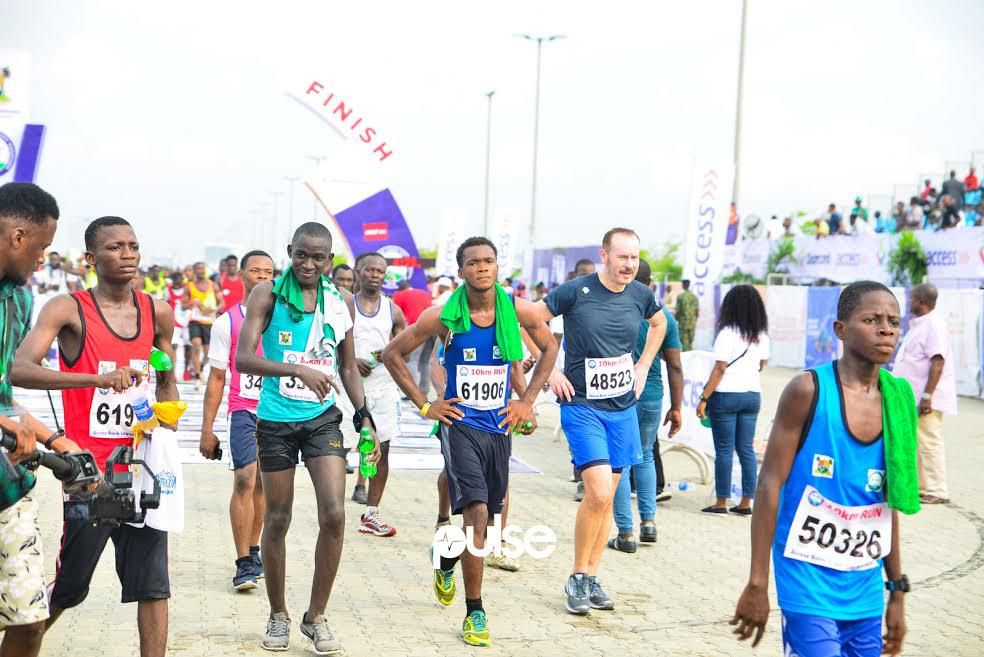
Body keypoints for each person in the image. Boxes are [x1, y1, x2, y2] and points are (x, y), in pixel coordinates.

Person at [12, 215, 180, 657]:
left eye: (133, 245)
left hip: (141, 468)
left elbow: (166, 376)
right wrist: (95, 380)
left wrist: (168, 403)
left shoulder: (157, 311)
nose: (127, 255)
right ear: (90, 258)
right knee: (71, 587)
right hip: (92, 473)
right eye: (114, 247)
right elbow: (20, 368)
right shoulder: (67, 309)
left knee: (152, 585)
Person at [381, 236, 558, 647]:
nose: (482, 268)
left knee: (487, 521)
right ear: (461, 271)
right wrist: (426, 406)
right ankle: (475, 612)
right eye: (474, 263)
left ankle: (445, 558)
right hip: (459, 425)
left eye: (489, 261)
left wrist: (526, 401)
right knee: (476, 513)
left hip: (498, 429)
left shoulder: (517, 309)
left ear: (497, 267)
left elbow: (550, 348)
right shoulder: (444, 315)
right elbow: (392, 354)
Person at [731, 280, 912, 657]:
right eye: (872, 319)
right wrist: (758, 582)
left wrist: (896, 590)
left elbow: (891, 503)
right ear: (840, 330)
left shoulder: (898, 401)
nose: (886, 329)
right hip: (806, 582)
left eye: (894, 321)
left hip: (864, 587)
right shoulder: (807, 391)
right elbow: (769, 486)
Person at [234, 222, 380, 654]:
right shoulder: (266, 295)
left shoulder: (341, 303)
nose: (309, 264)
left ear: (330, 261)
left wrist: (364, 414)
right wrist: (296, 369)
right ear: (289, 252)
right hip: (276, 422)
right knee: (278, 517)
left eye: (319, 258)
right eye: (301, 255)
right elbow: (243, 359)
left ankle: (315, 617)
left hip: (322, 420)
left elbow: (348, 367)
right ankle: (277, 614)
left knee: (334, 514)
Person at [532, 227, 667, 615]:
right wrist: (551, 369)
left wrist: (643, 366)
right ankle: (576, 575)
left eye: (635, 258)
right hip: (582, 406)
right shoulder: (576, 291)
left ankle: (592, 575)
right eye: (622, 257)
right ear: (604, 254)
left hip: (623, 408)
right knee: (599, 493)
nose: (629, 265)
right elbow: (531, 320)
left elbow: (659, 325)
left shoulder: (642, 295)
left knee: (610, 499)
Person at [0, 182, 83, 657]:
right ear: (16, 235)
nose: (42, 259)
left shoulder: (18, 300)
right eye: (41, 247)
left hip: (9, 487)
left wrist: (57, 439)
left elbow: (3, 398)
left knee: (29, 619)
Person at [198, 250, 275, 591]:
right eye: (255, 271)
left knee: (263, 485)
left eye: (268, 272)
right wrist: (207, 429)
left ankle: (255, 550)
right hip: (243, 410)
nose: (262, 277)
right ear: (241, 275)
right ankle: (243, 562)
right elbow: (216, 378)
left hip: (277, 413)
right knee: (245, 478)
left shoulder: (284, 319)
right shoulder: (226, 322)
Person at [608, 259, 683, 553]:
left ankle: (625, 534)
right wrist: (677, 407)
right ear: (652, 283)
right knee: (646, 457)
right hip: (652, 396)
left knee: (620, 463)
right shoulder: (664, 317)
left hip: (619, 394)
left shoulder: (614, 309)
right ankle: (649, 523)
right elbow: (675, 366)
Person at [339, 252, 406, 535]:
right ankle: (333, 512)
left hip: (383, 388)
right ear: (358, 271)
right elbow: (328, 343)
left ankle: (371, 514)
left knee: (383, 450)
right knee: (337, 451)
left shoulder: (393, 310)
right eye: (370, 270)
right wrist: (351, 360)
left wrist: (391, 352)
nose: (375, 275)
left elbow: (406, 342)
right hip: (347, 388)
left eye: (380, 271)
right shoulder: (344, 304)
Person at [696, 285, 768, 515]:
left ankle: (721, 502)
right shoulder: (761, 336)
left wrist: (704, 397)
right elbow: (761, 366)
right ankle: (747, 502)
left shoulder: (727, 333)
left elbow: (720, 368)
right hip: (752, 395)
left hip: (726, 396)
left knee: (724, 449)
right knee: (746, 448)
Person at [891, 284, 956, 504]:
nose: (908, 303)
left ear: (921, 301)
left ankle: (938, 491)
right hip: (914, 397)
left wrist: (927, 396)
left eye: (911, 298)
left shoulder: (934, 326)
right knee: (917, 442)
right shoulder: (919, 325)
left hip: (926, 397)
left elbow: (938, 361)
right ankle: (922, 486)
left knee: (929, 442)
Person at [392, 278, 435, 394]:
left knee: (412, 360)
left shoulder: (399, 295)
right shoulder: (424, 293)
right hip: (434, 328)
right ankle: (424, 391)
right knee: (426, 362)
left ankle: (412, 392)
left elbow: (395, 316)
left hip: (418, 329)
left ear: (400, 289)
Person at [185, 261, 223, 387]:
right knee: (196, 346)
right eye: (198, 269)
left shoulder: (213, 285)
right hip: (194, 321)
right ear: (194, 271)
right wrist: (191, 303)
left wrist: (215, 309)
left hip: (209, 322)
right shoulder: (189, 286)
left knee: (208, 353)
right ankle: (196, 376)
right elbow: (183, 306)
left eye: (203, 268)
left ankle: (200, 367)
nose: (201, 271)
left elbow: (222, 303)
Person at [675, 279, 698, 351]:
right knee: (690, 343)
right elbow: (697, 311)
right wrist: (694, 320)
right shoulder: (694, 297)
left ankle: (686, 359)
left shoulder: (680, 297)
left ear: (683, 285)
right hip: (692, 323)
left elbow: (678, 311)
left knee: (684, 344)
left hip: (683, 324)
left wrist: (677, 320)